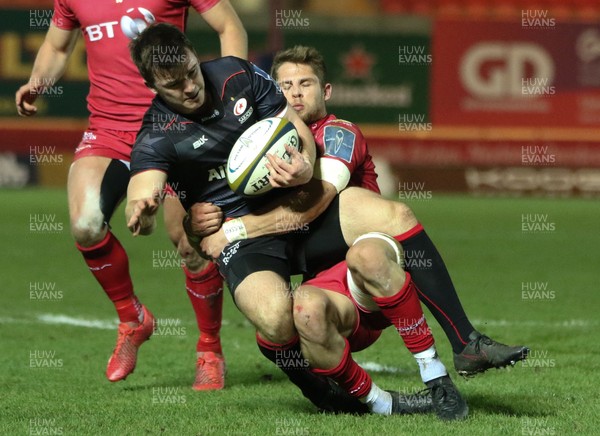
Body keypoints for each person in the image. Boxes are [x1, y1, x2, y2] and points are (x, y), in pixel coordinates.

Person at [125, 23, 438, 415]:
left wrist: (305, 166)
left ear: (193, 53)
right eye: (174, 85)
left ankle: (459, 349)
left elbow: (296, 127)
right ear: (153, 86)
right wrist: (142, 206)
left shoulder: (236, 74)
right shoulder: (156, 134)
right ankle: (341, 396)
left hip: (295, 202)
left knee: (389, 213)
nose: (189, 87)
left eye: (191, 71)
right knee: (276, 320)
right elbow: (143, 186)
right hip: (242, 235)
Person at [189, 45, 529, 377]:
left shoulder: (338, 133)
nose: (295, 95)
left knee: (374, 239)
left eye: (305, 84)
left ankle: (461, 345)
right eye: (285, 86)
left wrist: (233, 231)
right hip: (323, 284)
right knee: (277, 314)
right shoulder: (265, 143)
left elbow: (317, 203)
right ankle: (302, 373)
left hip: (366, 276)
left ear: (326, 91)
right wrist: (201, 220)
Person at [15, 0, 247, 390]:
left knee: (191, 244)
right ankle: (132, 317)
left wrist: (231, 90)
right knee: (86, 225)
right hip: (109, 130)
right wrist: (37, 83)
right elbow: (56, 48)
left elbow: (229, 26)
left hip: (176, 127)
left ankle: (210, 350)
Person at [294, 231, 468, 420]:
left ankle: (437, 376)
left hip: (371, 278)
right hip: (326, 303)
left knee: (368, 255)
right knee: (301, 311)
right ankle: (379, 402)